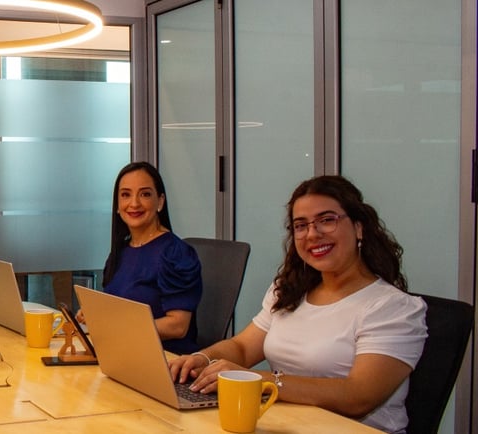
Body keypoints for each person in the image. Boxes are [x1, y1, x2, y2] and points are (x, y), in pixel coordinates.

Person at [168, 175, 426, 434]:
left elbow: (358, 396)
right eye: (301, 226)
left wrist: (262, 381)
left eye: (327, 220)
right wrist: (202, 358)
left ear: (359, 228)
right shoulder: (289, 290)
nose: (312, 234)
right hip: (287, 424)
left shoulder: (393, 308)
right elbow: (243, 348)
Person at [79, 162, 203, 354]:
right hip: (123, 353)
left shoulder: (175, 253)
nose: (134, 203)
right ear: (118, 205)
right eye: (125, 195)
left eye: (145, 194)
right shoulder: (120, 251)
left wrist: (115, 326)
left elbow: (178, 326)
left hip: (166, 361)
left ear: (160, 202)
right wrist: (96, 316)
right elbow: (119, 310)